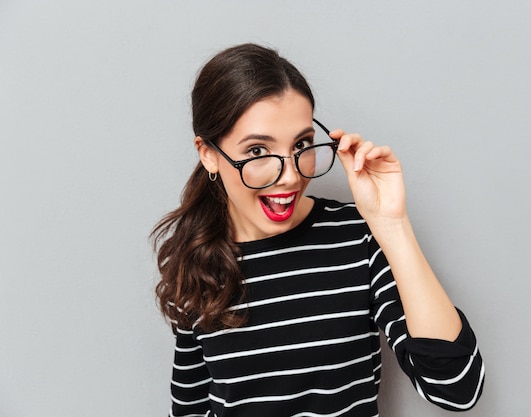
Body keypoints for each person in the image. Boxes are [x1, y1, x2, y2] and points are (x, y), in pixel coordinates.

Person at [152, 43, 485, 417]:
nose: (291, 176)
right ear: (209, 153)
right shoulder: (196, 259)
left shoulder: (357, 238)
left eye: (302, 144)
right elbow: (189, 409)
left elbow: (457, 387)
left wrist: (392, 225)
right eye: (258, 152)